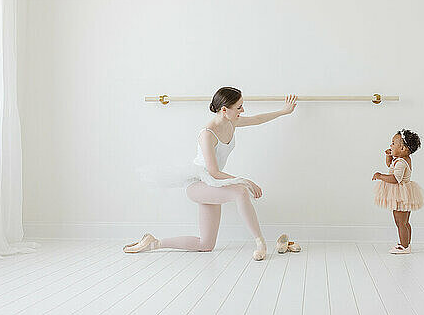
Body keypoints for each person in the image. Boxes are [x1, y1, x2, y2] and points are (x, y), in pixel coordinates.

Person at [124, 87, 297, 261]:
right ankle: (261, 243)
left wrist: (284, 111)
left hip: (213, 184)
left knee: (205, 244)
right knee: (241, 191)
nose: (243, 110)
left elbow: (258, 119)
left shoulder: (231, 122)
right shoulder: (207, 134)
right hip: (198, 184)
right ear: (224, 110)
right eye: (239, 107)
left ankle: (154, 243)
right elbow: (213, 171)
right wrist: (246, 181)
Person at [373, 129, 424, 254]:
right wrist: (389, 156)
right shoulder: (403, 159)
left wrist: (380, 176)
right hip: (405, 193)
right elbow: (390, 165)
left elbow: (395, 178)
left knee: (400, 221)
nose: (390, 145)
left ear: (403, 149)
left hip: (401, 195)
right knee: (404, 222)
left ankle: (404, 246)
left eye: (393, 144)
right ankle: (406, 243)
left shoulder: (401, 162)